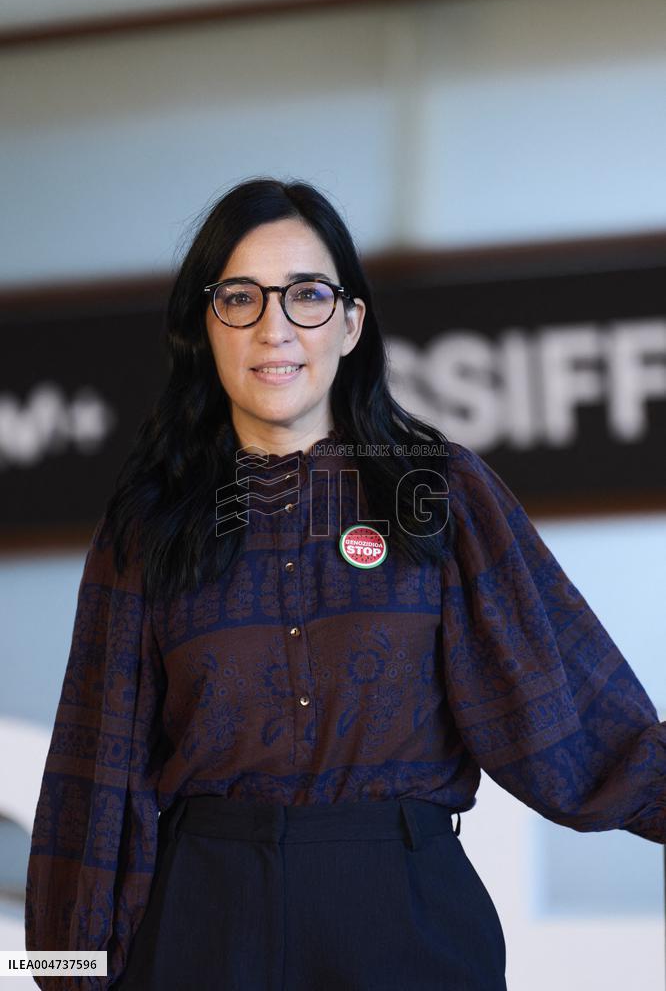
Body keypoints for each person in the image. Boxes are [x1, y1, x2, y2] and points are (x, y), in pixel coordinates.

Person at [24, 177, 665, 991]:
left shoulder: (440, 492)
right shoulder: (148, 526)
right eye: (240, 299)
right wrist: (62, 971)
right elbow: (92, 770)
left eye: (307, 297)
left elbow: (569, 713)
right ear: (204, 327)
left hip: (403, 914)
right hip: (202, 920)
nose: (274, 328)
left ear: (352, 322)